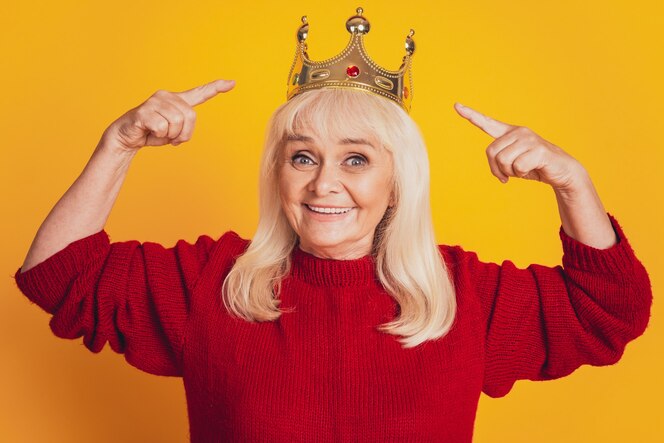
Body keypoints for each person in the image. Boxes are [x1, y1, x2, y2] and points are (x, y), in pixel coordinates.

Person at [13, 7, 652, 443]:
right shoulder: (213, 284)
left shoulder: (464, 294)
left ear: (397, 178)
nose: (324, 183)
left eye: (356, 158)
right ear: (278, 174)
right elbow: (58, 275)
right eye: (301, 157)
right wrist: (117, 145)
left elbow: (611, 309)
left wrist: (573, 184)